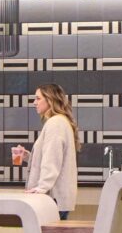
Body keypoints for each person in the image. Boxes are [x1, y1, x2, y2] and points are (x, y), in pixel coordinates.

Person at [11, 83, 79, 219]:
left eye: (38, 98)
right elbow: (51, 155)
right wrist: (28, 156)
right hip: (56, 198)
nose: (34, 102)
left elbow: (52, 161)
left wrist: (42, 188)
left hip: (52, 198)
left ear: (50, 100)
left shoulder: (55, 123)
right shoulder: (60, 121)